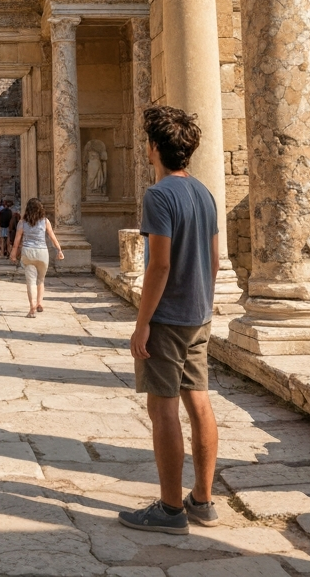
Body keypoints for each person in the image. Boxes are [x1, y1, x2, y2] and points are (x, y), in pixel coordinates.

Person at [118, 105, 221, 536]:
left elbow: (157, 266)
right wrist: (203, 304)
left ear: (155, 148)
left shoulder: (158, 196)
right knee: (200, 402)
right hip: (199, 315)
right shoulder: (205, 193)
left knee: (163, 411)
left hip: (168, 317)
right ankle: (203, 499)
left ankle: (171, 508)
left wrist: (143, 323)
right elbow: (214, 261)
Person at [10, 197, 63, 317]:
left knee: (31, 281)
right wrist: (59, 250)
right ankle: (39, 303)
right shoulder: (45, 221)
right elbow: (52, 237)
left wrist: (13, 254)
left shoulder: (22, 223)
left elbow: (16, 242)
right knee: (40, 280)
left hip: (28, 252)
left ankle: (32, 307)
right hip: (42, 253)